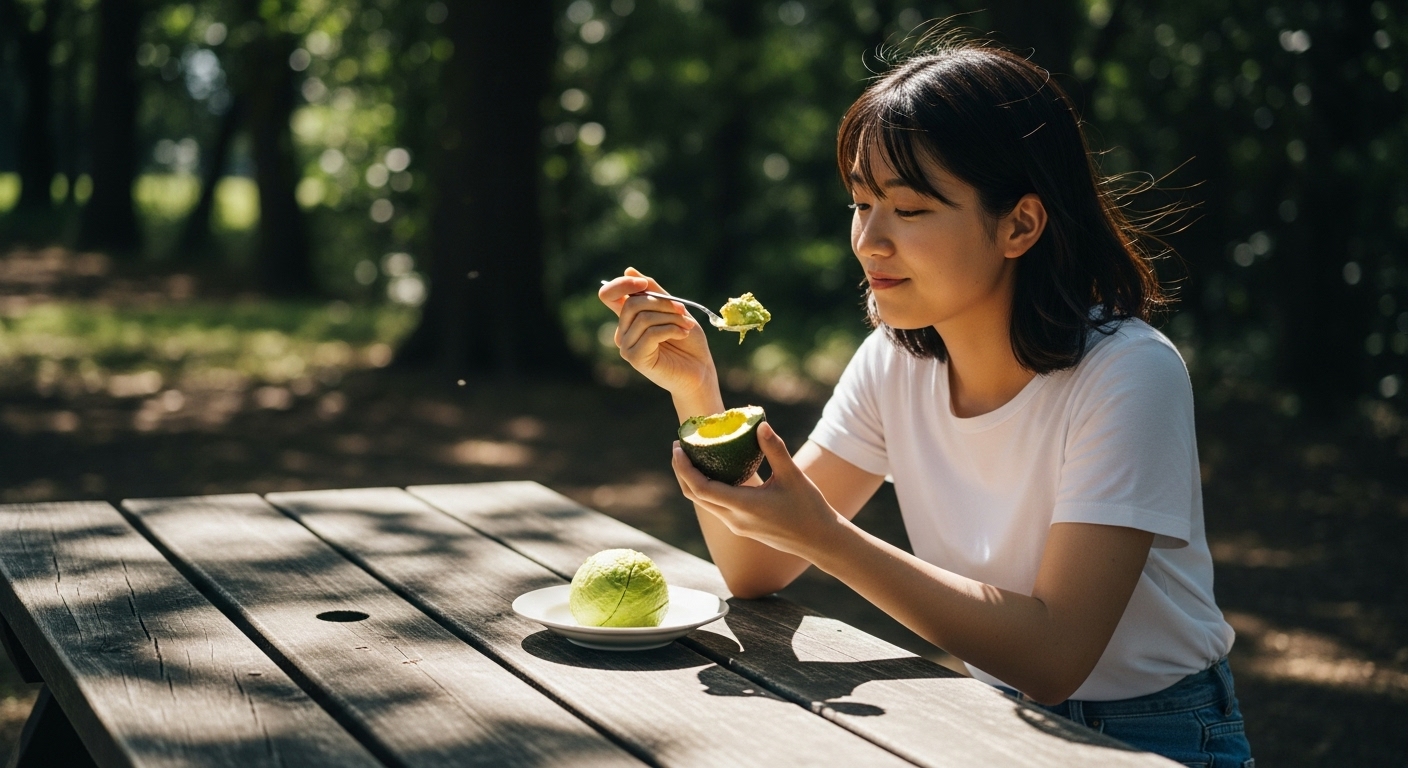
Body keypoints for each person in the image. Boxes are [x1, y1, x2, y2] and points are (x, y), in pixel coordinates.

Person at [598, 35, 1253, 768]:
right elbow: (754, 568)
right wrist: (696, 389)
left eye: (908, 209)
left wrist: (827, 538)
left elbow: (1055, 655)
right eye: (860, 202)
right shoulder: (896, 360)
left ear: (1020, 225)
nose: (870, 241)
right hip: (987, 717)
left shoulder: (1129, 374)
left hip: (1153, 734)